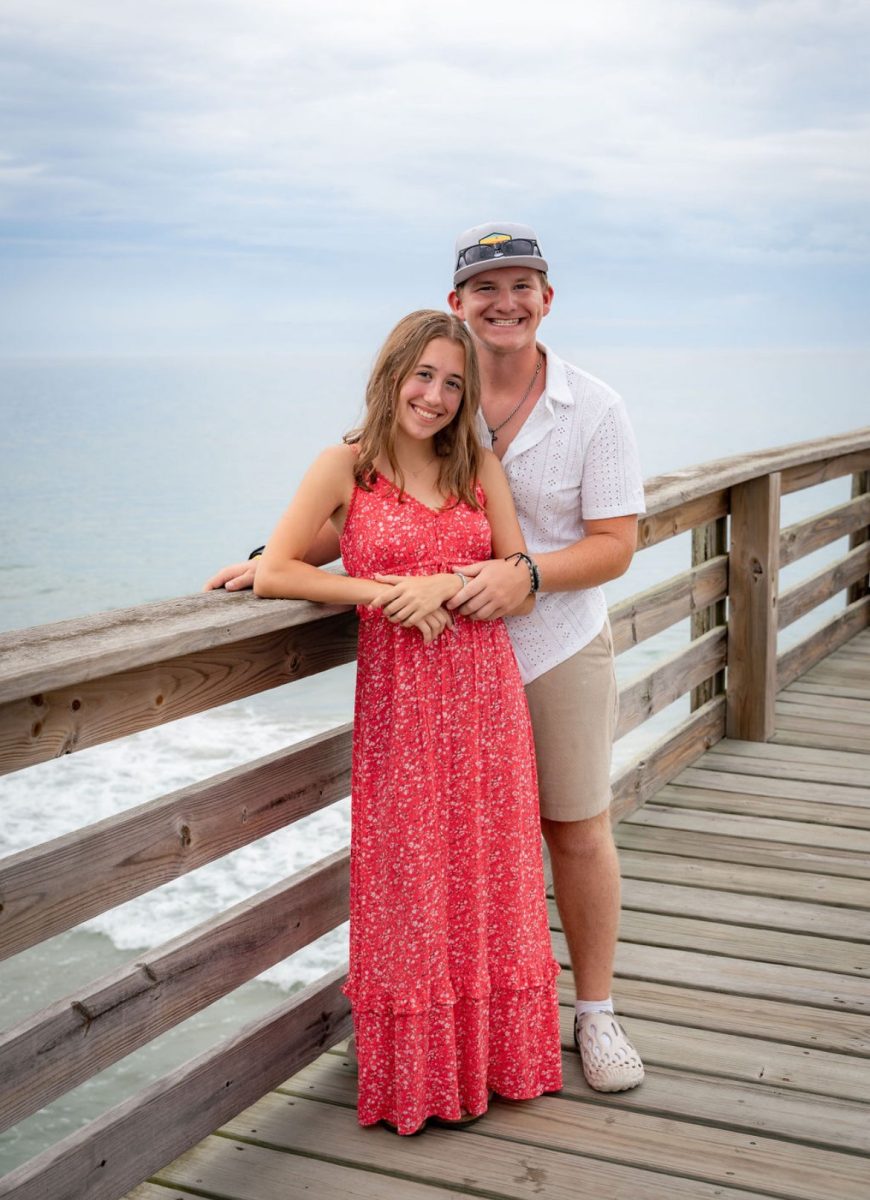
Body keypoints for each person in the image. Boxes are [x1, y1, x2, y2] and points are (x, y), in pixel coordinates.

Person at [205, 221, 647, 1093]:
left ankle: (595, 1015)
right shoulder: (445, 399)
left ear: (546, 300)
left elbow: (615, 546)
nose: (505, 301)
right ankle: (436, 1041)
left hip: (549, 641)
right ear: (458, 305)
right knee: (426, 855)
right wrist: (279, 560)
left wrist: (515, 575)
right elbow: (373, 503)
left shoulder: (592, 408)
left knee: (573, 826)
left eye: (523, 285)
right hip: (424, 675)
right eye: (487, 288)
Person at [251, 309, 563, 1135]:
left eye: (453, 384)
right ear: (392, 374)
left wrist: (445, 582)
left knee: (490, 873)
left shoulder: (476, 469)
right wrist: (386, 593)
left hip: (485, 701)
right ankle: (424, 1079)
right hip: (402, 707)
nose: (435, 396)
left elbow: (514, 568)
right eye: (423, 376)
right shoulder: (344, 468)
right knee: (412, 881)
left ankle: (496, 1062)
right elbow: (278, 571)